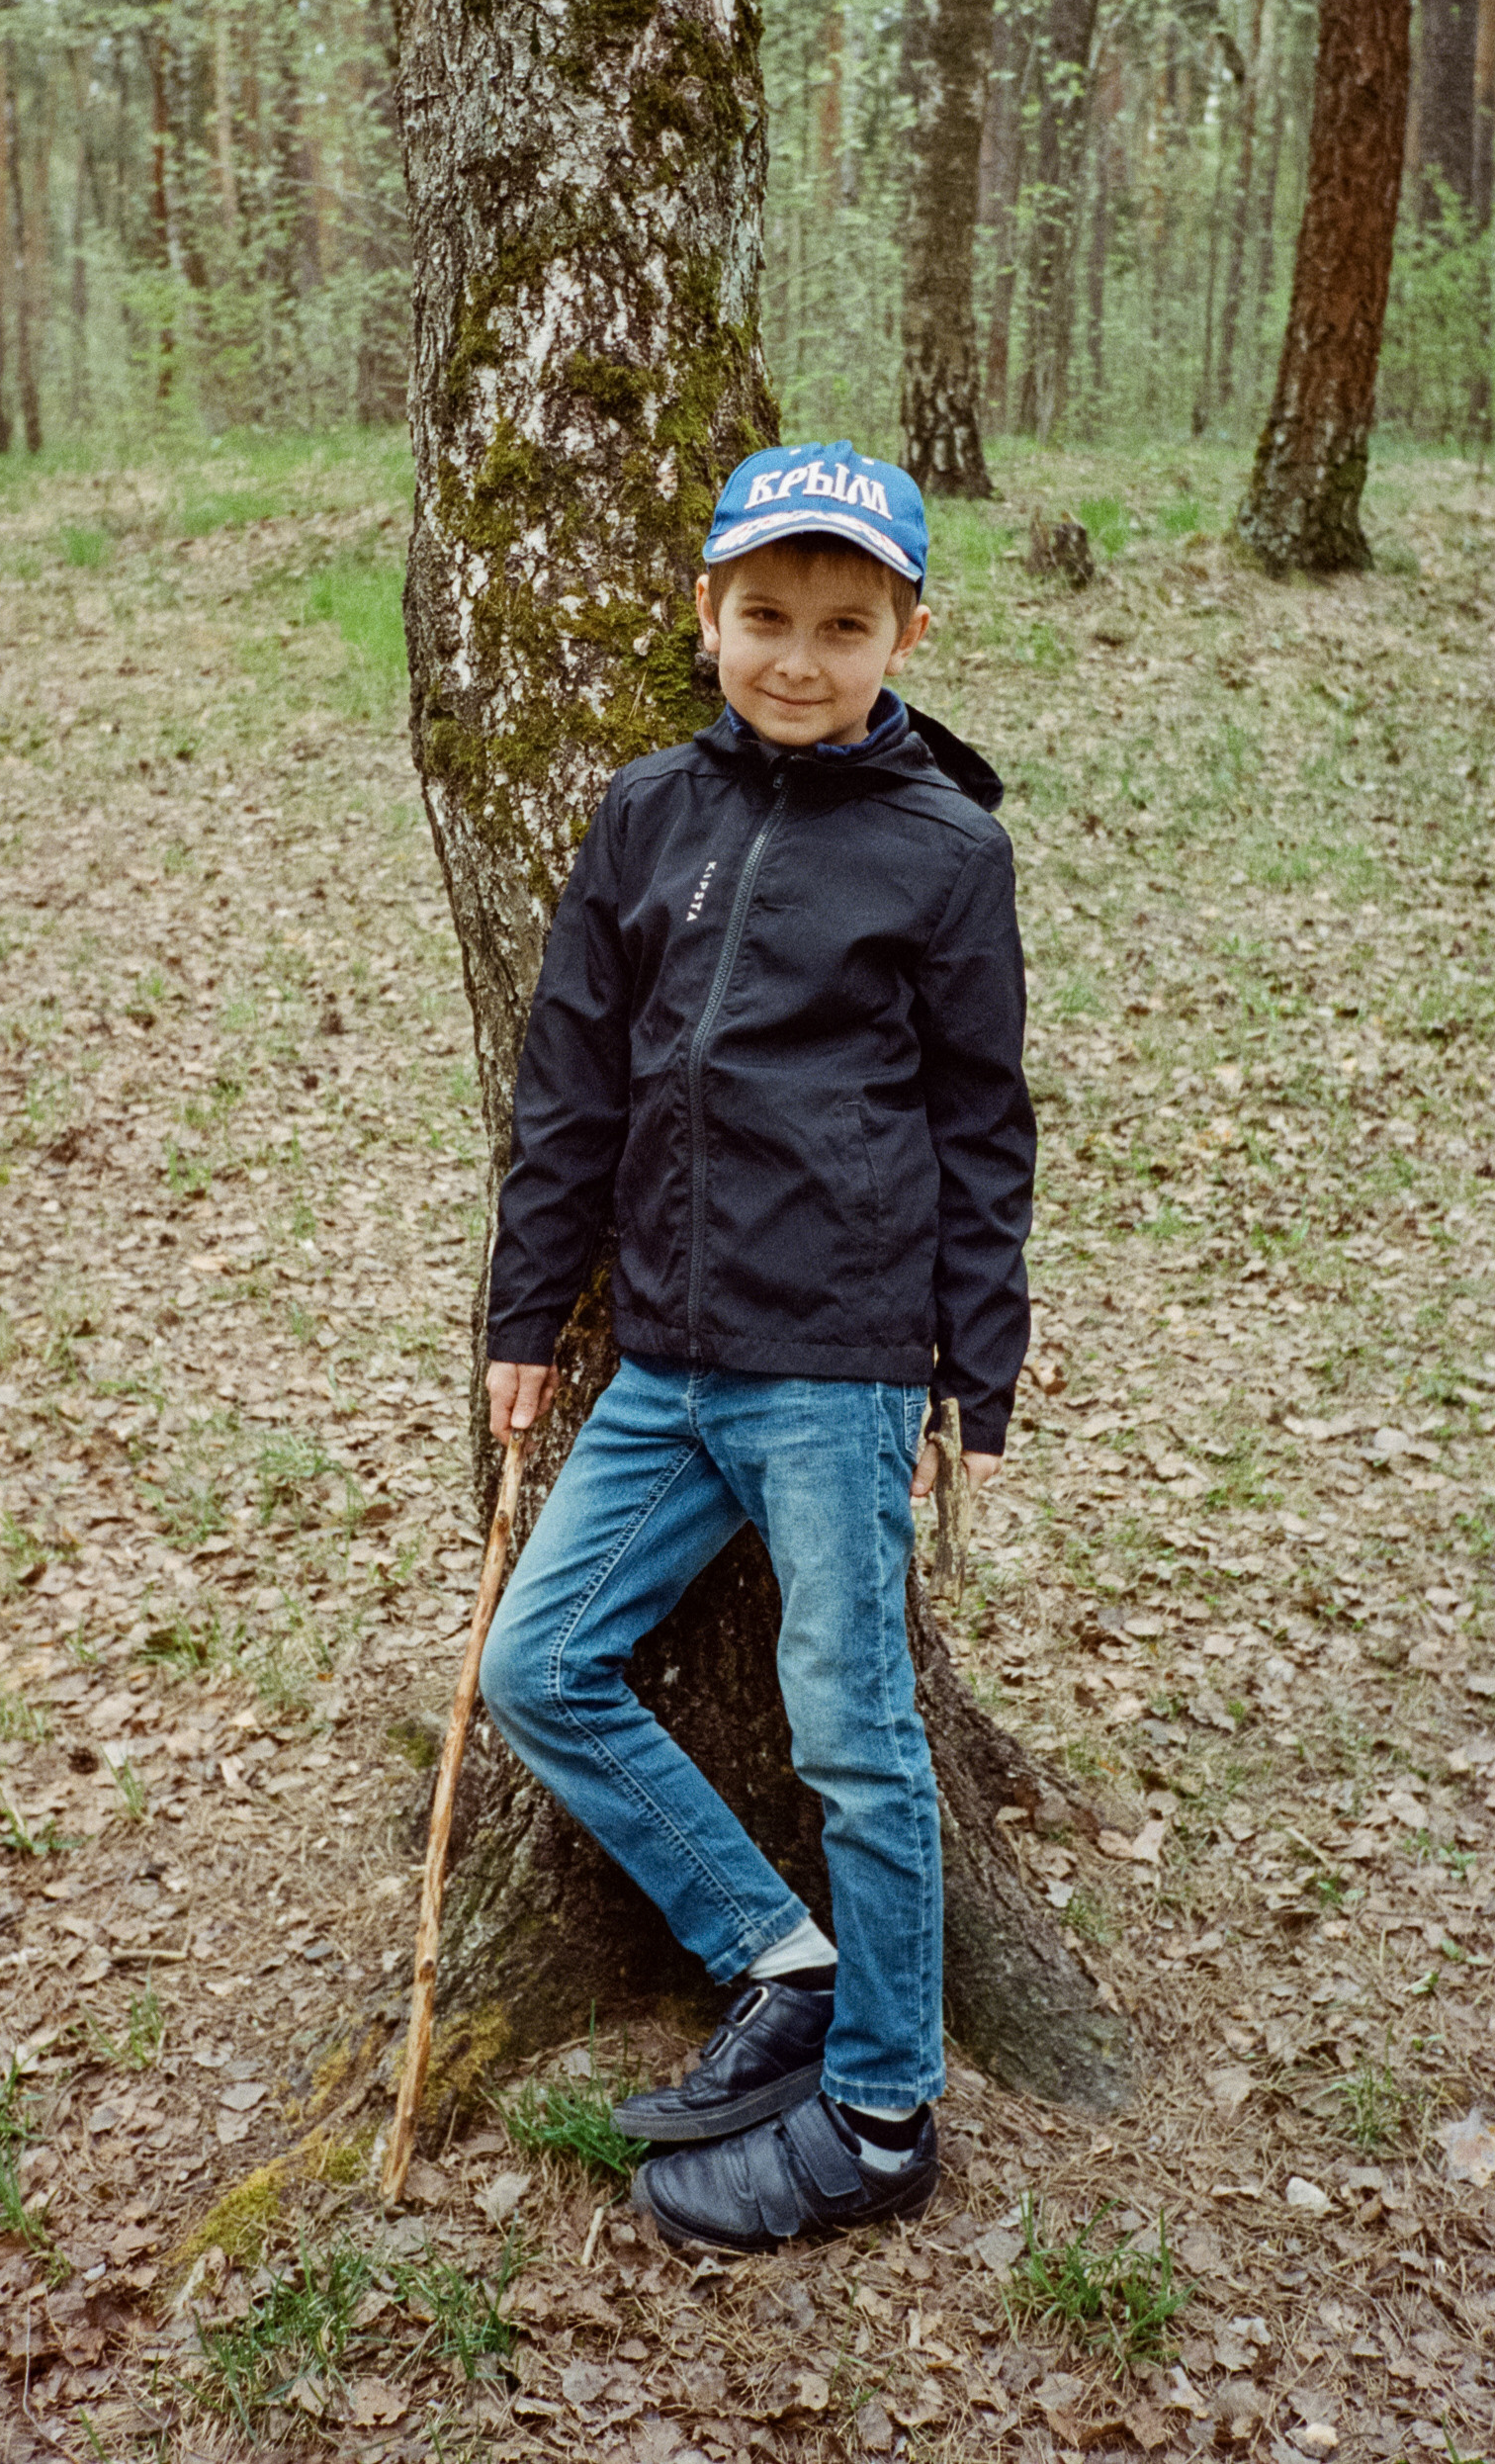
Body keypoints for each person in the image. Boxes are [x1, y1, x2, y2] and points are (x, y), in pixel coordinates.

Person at [477, 439, 1035, 2255]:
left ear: (907, 632)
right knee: (542, 1664)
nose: (801, 655)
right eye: (769, 613)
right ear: (707, 611)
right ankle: (777, 1959)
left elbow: (981, 1121)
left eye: (846, 622)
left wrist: (972, 1367)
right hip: (665, 1356)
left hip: (840, 1366)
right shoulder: (646, 813)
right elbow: (569, 1080)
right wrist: (522, 1315)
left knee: (856, 1737)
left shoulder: (946, 850)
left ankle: (882, 2106)